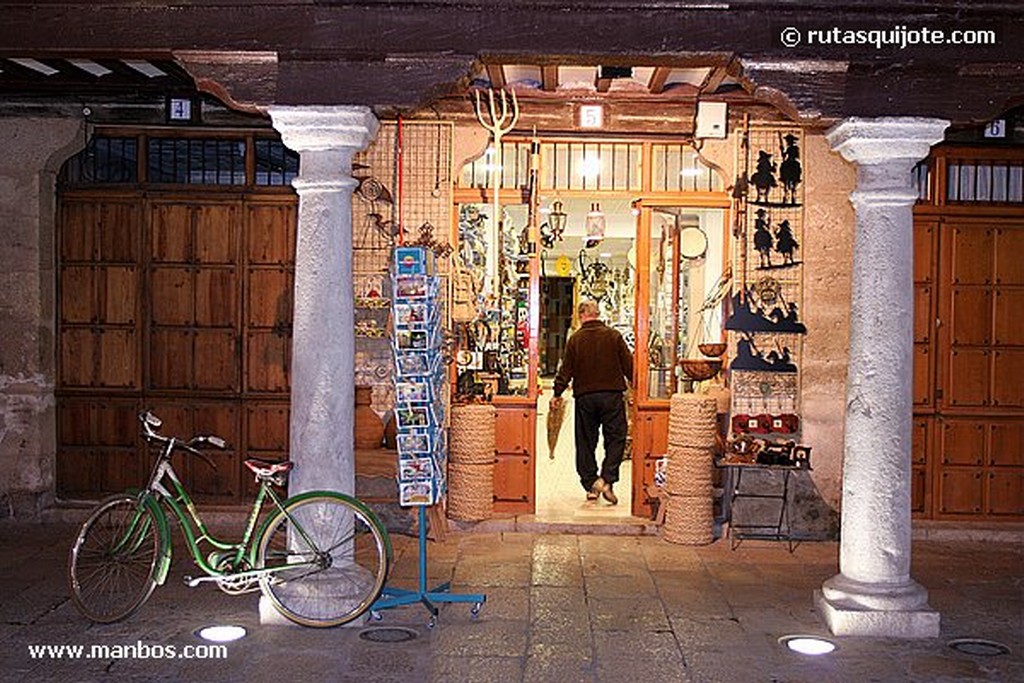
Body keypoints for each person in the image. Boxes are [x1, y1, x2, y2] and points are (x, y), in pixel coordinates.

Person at [551, 300, 633, 504]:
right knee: (616, 437)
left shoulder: (576, 340)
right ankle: (607, 478)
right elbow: (629, 366)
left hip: (585, 397)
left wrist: (557, 392)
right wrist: (636, 388)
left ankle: (592, 484)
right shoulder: (614, 336)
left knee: (586, 441)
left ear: (581, 316)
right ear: (598, 313)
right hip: (612, 396)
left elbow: (566, 369)